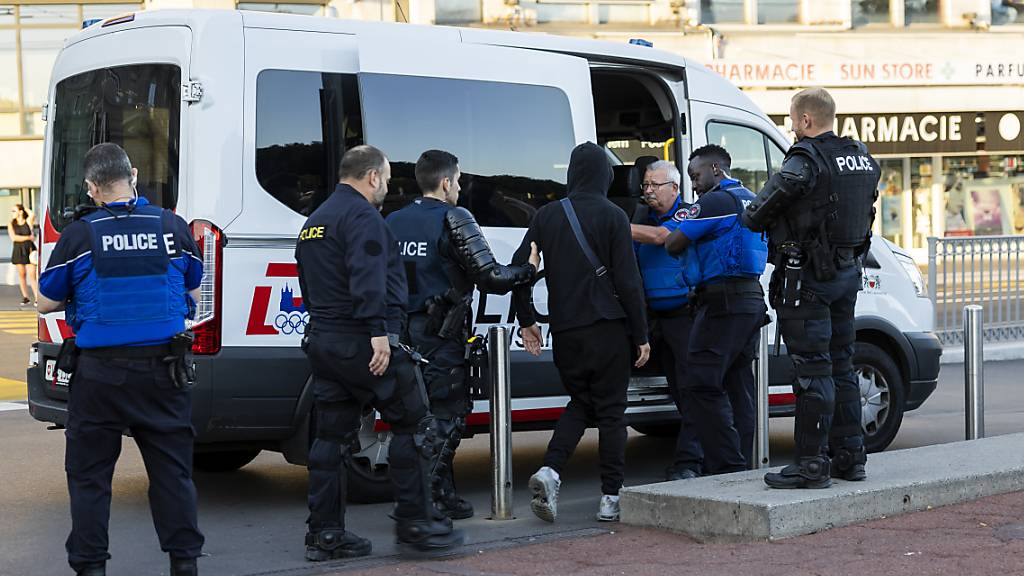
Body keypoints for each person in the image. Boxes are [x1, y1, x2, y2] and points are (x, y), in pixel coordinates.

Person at [36, 143, 204, 576]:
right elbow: (192, 285)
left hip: (101, 375)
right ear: (133, 174)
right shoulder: (172, 226)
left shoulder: (80, 235)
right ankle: (184, 562)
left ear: (92, 187)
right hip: (164, 371)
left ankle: (91, 567)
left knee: (90, 476)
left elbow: (44, 302)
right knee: (172, 473)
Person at [295, 145, 463, 560]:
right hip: (363, 341)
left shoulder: (315, 221)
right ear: (372, 177)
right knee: (416, 423)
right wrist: (379, 334)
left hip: (324, 341)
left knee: (330, 437)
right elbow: (367, 277)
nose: (387, 187)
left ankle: (325, 534)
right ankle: (417, 525)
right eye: (386, 179)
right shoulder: (363, 217)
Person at [385, 150, 538, 520]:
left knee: (419, 417)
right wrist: (528, 270)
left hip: (404, 333)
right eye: (457, 182)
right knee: (449, 416)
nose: (458, 188)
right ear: (446, 182)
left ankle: (443, 494)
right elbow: (491, 277)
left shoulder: (392, 220)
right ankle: (427, 502)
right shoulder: (455, 216)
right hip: (440, 335)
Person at [742, 87, 880, 489]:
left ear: (805, 120)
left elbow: (756, 214)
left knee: (813, 370)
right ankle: (850, 458)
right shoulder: (860, 156)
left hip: (808, 281)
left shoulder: (805, 160)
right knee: (842, 363)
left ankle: (811, 465)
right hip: (845, 275)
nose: (790, 125)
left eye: (791, 117)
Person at [512, 142, 650, 524]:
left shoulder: (547, 216)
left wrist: (527, 320)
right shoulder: (613, 215)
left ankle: (551, 471)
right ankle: (610, 496)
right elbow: (628, 280)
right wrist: (641, 333)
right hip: (608, 328)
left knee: (581, 402)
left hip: (567, 330)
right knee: (610, 412)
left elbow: (519, 269)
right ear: (604, 175)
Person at [665, 144, 768, 476]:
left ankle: (725, 466)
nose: (693, 186)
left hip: (722, 301)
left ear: (715, 170)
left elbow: (673, 243)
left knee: (700, 382)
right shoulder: (753, 199)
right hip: (751, 298)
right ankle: (742, 466)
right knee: (739, 384)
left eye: (695, 176)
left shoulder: (715, 201)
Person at [629, 160, 702, 481]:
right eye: (644, 186)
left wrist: (610, 223)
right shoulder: (642, 218)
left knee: (691, 389)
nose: (647, 192)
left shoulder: (687, 215)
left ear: (675, 188)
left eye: (654, 186)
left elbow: (661, 237)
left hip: (684, 316)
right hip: (654, 317)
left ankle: (691, 462)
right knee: (675, 388)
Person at [8, 203, 40, 306]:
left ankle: (37, 298)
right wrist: (28, 237)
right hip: (18, 250)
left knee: (32, 275)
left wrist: (23, 207)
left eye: (14, 211)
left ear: (20, 212)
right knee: (22, 275)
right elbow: (14, 238)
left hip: (29, 250)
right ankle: (25, 297)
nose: (12, 213)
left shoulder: (28, 221)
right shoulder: (11, 223)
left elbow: (32, 214)